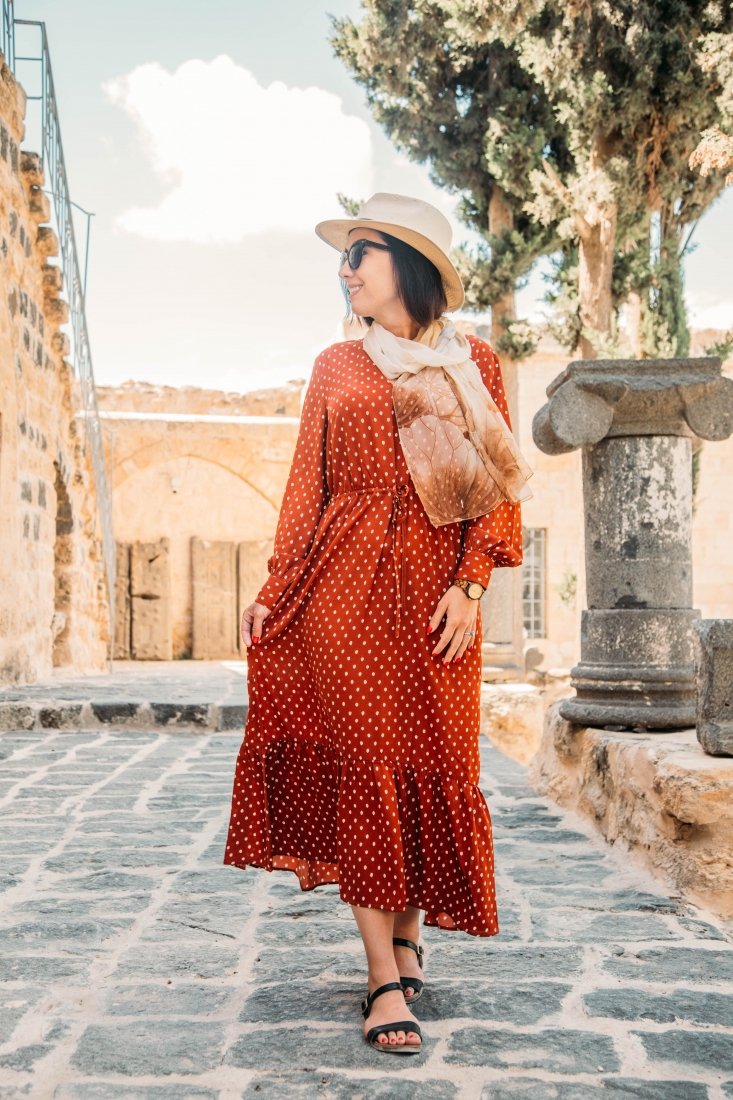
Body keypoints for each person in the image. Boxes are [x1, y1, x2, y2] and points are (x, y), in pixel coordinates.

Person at [224, 193, 532, 1054]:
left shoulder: (475, 362)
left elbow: (493, 490)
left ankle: (406, 929)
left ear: (410, 264)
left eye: (362, 252)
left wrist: (470, 589)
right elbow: (305, 487)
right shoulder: (335, 365)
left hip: (437, 595)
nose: (345, 269)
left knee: (427, 755)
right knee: (364, 760)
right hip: (342, 590)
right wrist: (277, 586)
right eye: (344, 256)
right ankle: (381, 974)